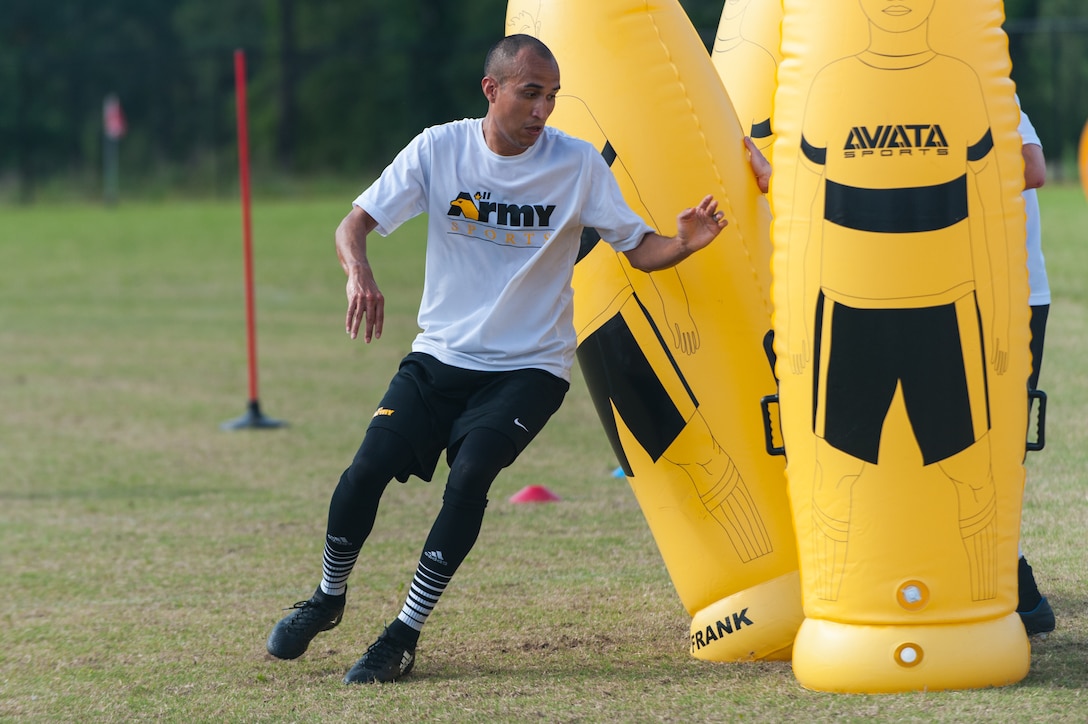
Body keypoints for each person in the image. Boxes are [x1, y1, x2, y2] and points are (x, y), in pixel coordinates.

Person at [265, 34, 762, 685]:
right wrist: (359, 272)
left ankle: (403, 633)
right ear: (491, 89)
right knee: (367, 469)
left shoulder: (578, 166)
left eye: (552, 96)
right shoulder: (439, 148)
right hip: (440, 357)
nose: (543, 110)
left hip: (529, 369)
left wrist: (684, 243)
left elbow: (640, 248)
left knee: (469, 477)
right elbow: (353, 223)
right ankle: (328, 598)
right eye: (531, 92)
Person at [1015, 99, 1055, 636]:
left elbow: (1034, 169)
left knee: (998, 449)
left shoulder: (990, 91)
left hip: (1018, 298)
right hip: (962, 294)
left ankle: (1014, 579)